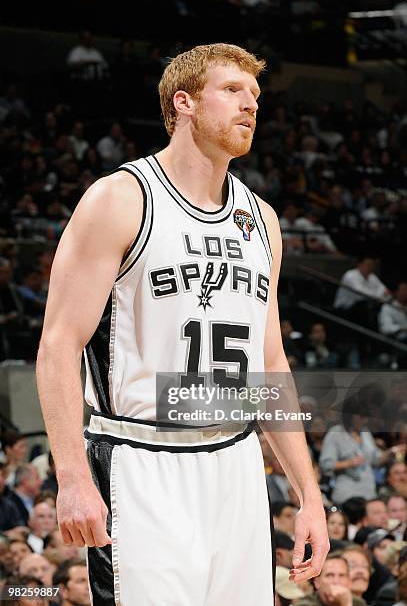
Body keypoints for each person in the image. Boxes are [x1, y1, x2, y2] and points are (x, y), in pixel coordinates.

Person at [36, 43, 329, 605]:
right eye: (233, 91)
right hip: (141, 461)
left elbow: (269, 364)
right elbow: (57, 346)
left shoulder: (261, 220)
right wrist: (72, 477)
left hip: (237, 464)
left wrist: (308, 496)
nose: (251, 105)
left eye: (256, 96)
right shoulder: (120, 199)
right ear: (185, 102)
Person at [296, 553, 367, 605]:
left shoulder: (358, 603)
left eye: (342, 575)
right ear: (317, 582)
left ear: (348, 581)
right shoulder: (305, 604)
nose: (336, 581)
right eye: (330, 575)